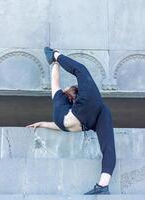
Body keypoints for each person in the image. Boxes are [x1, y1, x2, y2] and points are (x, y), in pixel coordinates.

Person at [26, 47, 116, 195]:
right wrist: (56, 59)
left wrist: (55, 63)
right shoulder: (66, 99)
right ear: (75, 97)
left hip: (76, 122)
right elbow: (58, 81)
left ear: (72, 96)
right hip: (84, 120)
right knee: (82, 70)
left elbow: (55, 80)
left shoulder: (60, 100)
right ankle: (103, 185)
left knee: (107, 142)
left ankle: (102, 186)